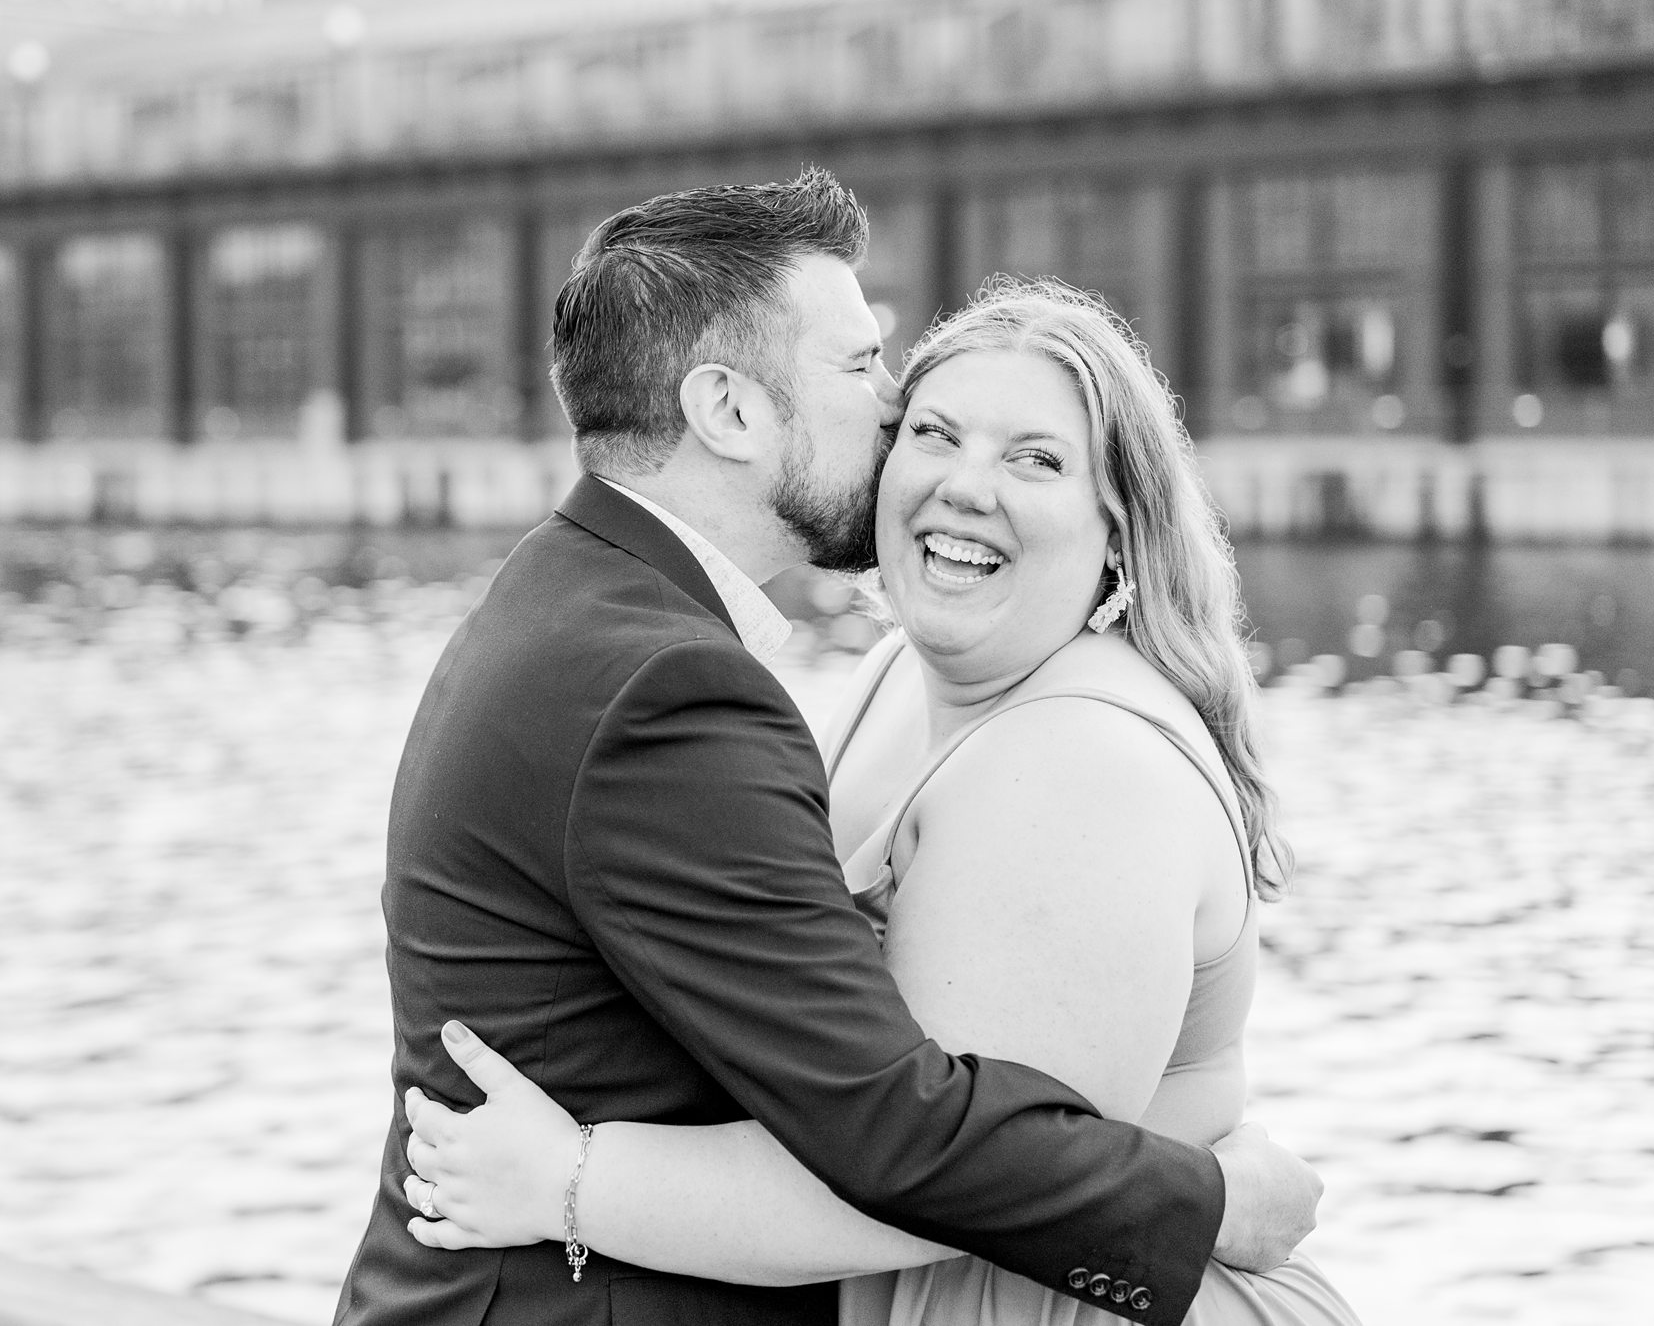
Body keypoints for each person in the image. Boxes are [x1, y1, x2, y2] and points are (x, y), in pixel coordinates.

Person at [332, 169, 1323, 1326]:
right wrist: (1209, 1200)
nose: (898, 417)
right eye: (869, 374)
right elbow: (896, 1127)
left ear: (1121, 529)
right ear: (731, 413)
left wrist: (576, 1182)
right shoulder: (688, 680)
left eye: (1038, 458)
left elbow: (895, 1137)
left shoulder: (592, 610)